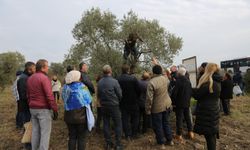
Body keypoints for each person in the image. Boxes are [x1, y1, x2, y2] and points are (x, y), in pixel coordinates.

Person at [27, 59, 58, 150]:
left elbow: (28, 94)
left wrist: (30, 104)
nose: (48, 68)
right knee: (45, 133)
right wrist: (55, 109)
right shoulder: (44, 78)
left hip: (32, 108)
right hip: (43, 109)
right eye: (47, 66)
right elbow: (49, 96)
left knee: (35, 131)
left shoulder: (30, 78)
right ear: (43, 67)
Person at [192, 63, 220, 150]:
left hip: (207, 112)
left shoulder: (209, 83)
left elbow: (197, 95)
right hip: (214, 109)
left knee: (209, 136)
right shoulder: (217, 81)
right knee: (212, 135)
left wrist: (191, 88)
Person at [62, 70, 92, 150]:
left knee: (72, 137)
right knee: (81, 138)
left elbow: (63, 99)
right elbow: (89, 100)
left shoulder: (65, 87)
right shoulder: (82, 86)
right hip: (81, 117)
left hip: (68, 116)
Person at [146, 65, 174, 149]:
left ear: (153, 72)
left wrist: (147, 110)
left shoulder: (151, 82)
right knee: (166, 123)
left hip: (157, 106)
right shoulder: (166, 79)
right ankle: (170, 140)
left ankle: (161, 143)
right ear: (160, 71)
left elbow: (149, 99)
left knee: (158, 125)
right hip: (167, 104)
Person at [97, 65, 123, 150]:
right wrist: (118, 101)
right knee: (118, 124)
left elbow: (99, 95)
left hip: (104, 105)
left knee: (106, 123)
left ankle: (108, 143)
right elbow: (120, 94)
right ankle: (118, 144)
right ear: (110, 71)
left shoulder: (100, 82)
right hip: (114, 105)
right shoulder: (114, 81)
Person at [117, 64, 140, 140]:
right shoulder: (133, 79)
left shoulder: (118, 79)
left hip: (123, 101)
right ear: (128, 70)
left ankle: (128, 135)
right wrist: (137, 97)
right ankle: (134, 134)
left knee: (125, 118)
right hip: (134, 101)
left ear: (122, 70)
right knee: (135, 117)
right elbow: (138, 90)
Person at [172, 67, 194, 144]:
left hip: (179, 103)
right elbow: (191, 92)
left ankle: (179, 134)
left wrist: (173, 103)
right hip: (187, 103)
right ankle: (191, 132)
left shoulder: (178, 81)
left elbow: (174, 93)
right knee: (188, 118)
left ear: (179, 73)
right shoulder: (188, 81)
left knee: (179, 119)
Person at [17, 62, 36, 150]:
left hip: (27, 106)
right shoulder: (23, 79)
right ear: (29, 69)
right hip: (26, 107)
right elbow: (24, 95)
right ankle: (28, 147)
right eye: (34, 69)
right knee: (28, 127)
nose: (35, 71)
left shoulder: (26, 77)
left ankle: (30, 145)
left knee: (29, 126)